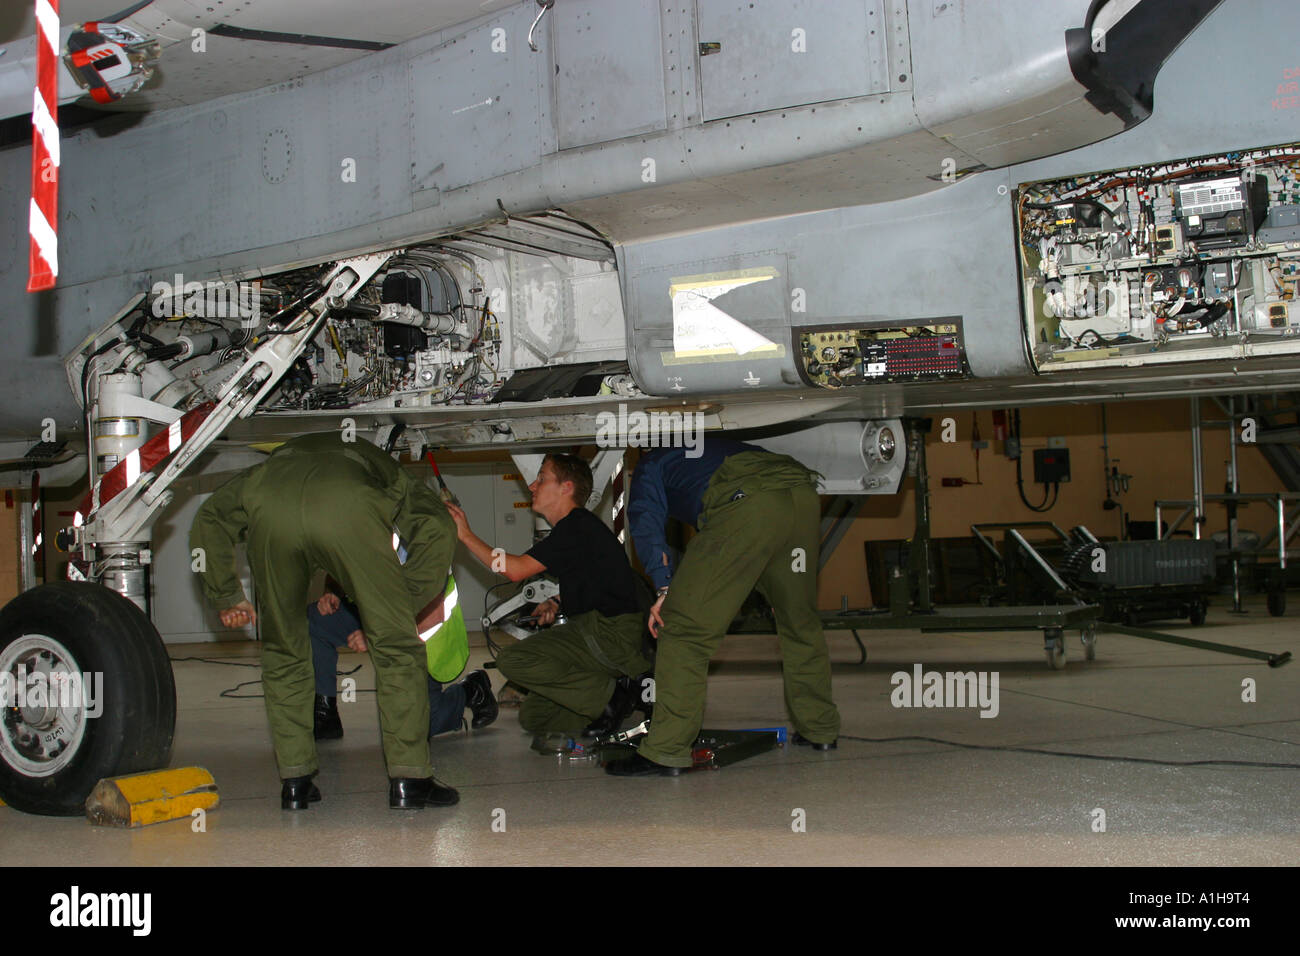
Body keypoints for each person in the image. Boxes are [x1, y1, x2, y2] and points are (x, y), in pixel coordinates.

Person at [190, 432, 460, 810]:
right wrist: (405, 603)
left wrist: (225, 593)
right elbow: (437, 525)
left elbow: (211, 517)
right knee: (397, 650)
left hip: (273, 508)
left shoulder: (273, 464)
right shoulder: (373, 459)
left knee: (284, 652)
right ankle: (410, 780)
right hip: (346, 507)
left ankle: (296, 782)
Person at [608, 438, 841, 777]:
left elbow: (645, 521)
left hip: (749, 505)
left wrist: (663, 586)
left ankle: (666, 749)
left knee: (683, 628)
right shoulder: (720, 447)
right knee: (799, 622)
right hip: (802, 497)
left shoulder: (652, 463)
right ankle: (819, 729)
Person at [444, 453, 651, 751]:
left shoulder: (575, 525)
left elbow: (514, 569)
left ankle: (610, 699)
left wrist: (466, 535)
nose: (531, 485)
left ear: (566, 487)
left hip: (609, 635)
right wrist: (557, 601)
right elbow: (596, 578)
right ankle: (617, 696)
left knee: (513, 660)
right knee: (535, 717)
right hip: (600, 630)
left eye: (541, 478)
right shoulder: (577, 530)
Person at [308, 579, 497, 739]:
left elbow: (433, 614)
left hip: (424, 635)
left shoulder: (427, 543)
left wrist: (375, 637)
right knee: (314, 620)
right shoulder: (361, 535)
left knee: (420, 726)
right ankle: (326, 714)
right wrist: (331, 592)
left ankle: (471, 690)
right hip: (379, 616)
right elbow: (339, 560)